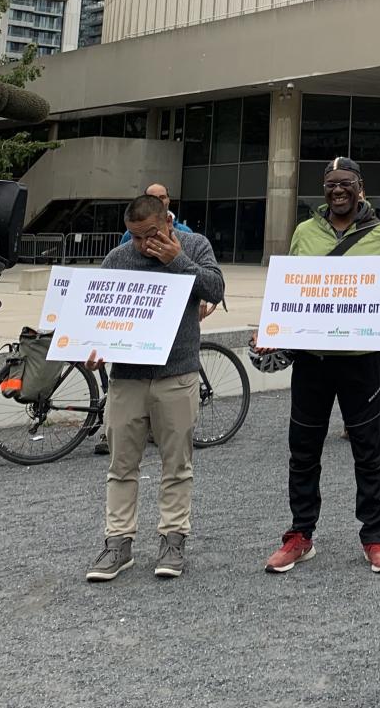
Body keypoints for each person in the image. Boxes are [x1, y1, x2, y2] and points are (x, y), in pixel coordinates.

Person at [262, 157, 380, 574]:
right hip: (312, 361)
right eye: (330, 184)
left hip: (360, 361)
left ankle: (375, 537)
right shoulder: (304, 232)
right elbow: (289, 289)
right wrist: (273, 329)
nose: (337, 190)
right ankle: (300, 535)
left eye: (345, 183)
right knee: (303, 451)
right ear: (324, 189)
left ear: (359, 187)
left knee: (368, 451)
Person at [84, 195, 224, 582]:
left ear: (167, 221)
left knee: (176, 464)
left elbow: (214, 289)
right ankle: (118, 543)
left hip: (176, 374)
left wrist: (175, 260)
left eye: (150, 234)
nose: (143, 245)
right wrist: (91, 349)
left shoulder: (194, 246)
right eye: (134, 237)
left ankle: (173, 540)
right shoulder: (117, 258)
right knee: (121, 465)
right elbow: (98, 315)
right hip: (127, 378)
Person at [119, 183, 193, 244]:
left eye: (162, 197)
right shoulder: (131, 234)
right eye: (153, 198)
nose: (158, 201)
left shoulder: (185, 231)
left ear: (168, 200)